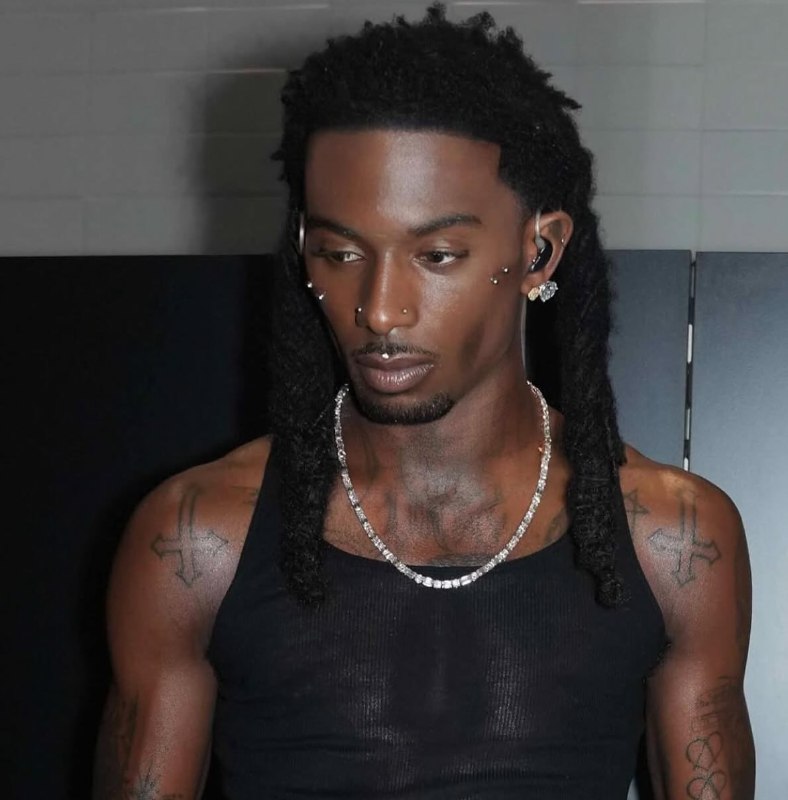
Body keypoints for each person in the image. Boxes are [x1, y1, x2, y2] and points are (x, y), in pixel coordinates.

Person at [93, 5, 755, 799]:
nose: (379, 310)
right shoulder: (197, 538)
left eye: (436, 255)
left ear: (539, 251)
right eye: (339, 253)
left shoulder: (673, 539)